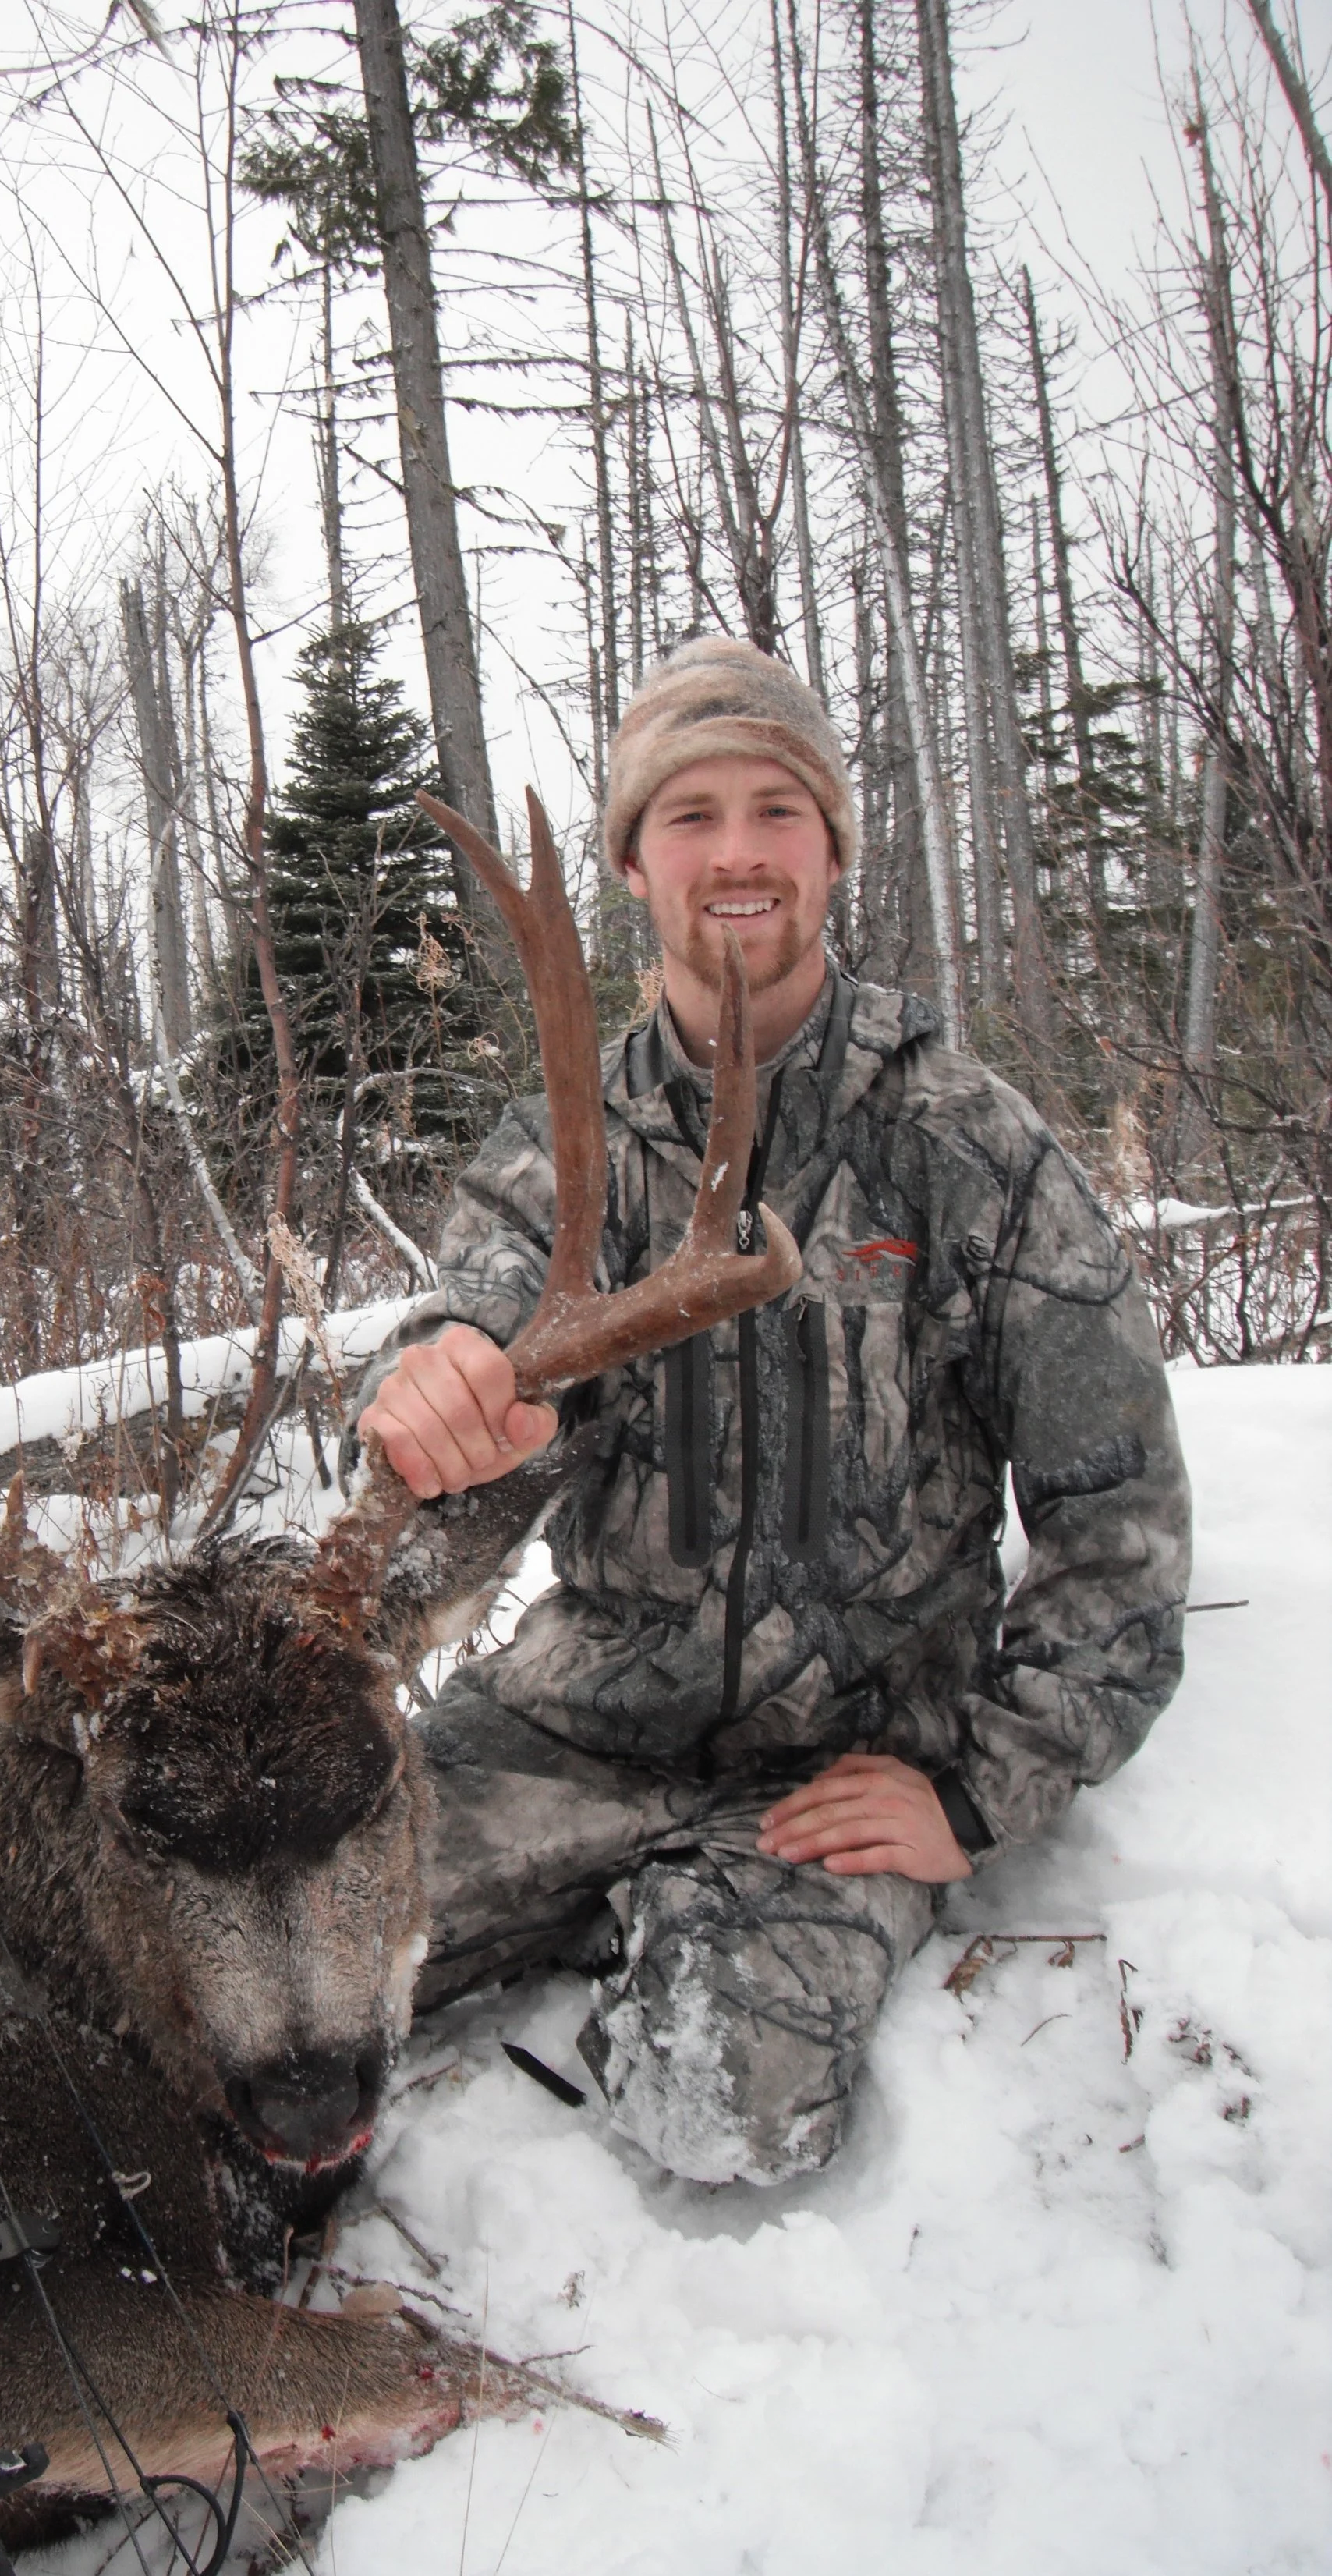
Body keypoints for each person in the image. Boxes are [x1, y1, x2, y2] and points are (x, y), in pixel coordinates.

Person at [354, 637, 1192, 2187]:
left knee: (703, 2098)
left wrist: (972, 1785)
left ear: (826, 848)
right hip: (579, 1722)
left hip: (849, 1757)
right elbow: (465, 1317)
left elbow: (1117, 1531)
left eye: (773, 811)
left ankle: (685, 1928)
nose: (734, 852)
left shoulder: (966, 1146)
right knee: (295, 1967)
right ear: (628, 861)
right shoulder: (566, 1143)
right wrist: (434, 1384)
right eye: (688, 815)